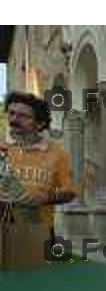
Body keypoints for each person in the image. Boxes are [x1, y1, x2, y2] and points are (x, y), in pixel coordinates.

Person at [1, 91, 76, 240]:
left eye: (23, 116)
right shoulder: (2, 150)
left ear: (40, 123)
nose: (14, 119)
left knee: (33, 264)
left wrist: (45, 198)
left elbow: (70, 192)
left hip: (38, 230)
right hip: (2, 227)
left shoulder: (57, 155)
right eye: (12, 113)